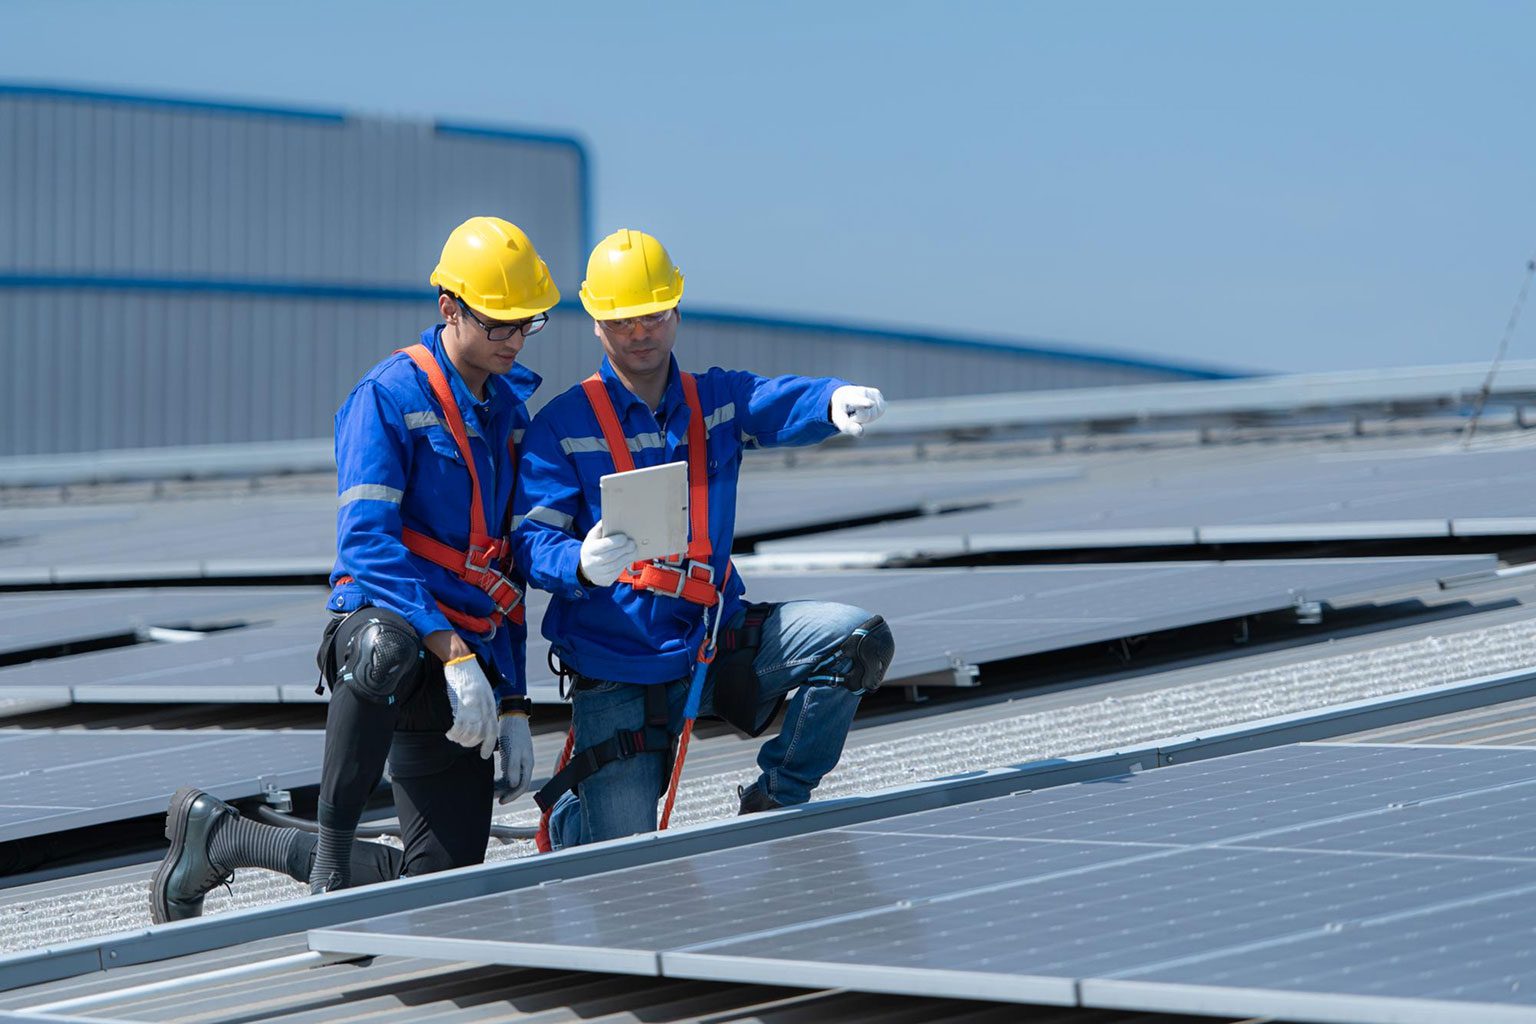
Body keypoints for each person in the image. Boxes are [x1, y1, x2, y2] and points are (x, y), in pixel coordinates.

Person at [150, 216, 556, 922]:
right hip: (393, 637)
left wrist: (516, 702)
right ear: (449, 308)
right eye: (500, 324)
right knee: (381, 648)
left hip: (461, 662)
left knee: (442, 888)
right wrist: (453, 652)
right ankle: (331, 864)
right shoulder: (388, 397)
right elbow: (367, 544)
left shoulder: (509, 415)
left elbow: (504, 569)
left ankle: (221, 837)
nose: (514, 340)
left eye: (528, 324)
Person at [513, 228, 895, 849]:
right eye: (624, 319)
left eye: (654, 315)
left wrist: (829, 402)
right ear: (596, 322)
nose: (641, 332)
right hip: (617, 665)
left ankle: (775, 798)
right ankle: (572, 820)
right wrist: (578, 563)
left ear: (676, 311)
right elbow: (530, 542)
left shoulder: (712, 400)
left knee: (856, 638)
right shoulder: (562, 426)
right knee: (619, 860)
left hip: (710, 640)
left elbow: (770, 400)